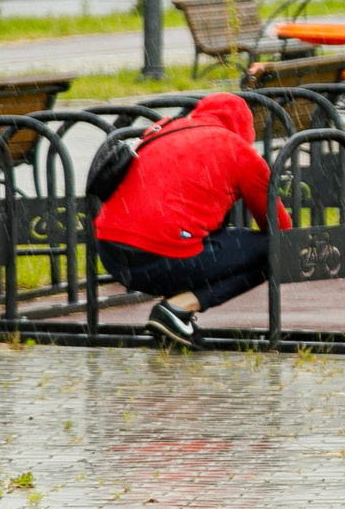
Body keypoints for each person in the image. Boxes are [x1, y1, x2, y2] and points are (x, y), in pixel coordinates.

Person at [95, 92, 287, 351]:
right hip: (162, 261)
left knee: (194, 236)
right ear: (245, 126)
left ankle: (175, 316)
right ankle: (178, 308)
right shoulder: (239, 150)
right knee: (273, 250)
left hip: (110, 255)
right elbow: (282, 232)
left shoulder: (160, 128)